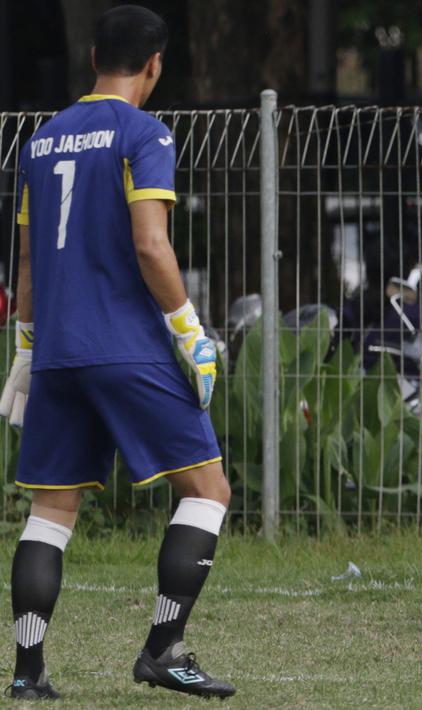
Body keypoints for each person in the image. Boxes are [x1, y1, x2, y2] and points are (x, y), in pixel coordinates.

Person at [1, 6, 235, 699]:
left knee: (51, 510)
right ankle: (164, 648)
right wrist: (192, 332)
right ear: (155, 65)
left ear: (95, 55)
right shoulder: (144, 132)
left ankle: (26, 673)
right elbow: (150, 244)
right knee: (208, 489)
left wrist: (24, 344)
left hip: (56, 353)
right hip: (125, 346)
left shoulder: (40, 141)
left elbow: (25, 259)